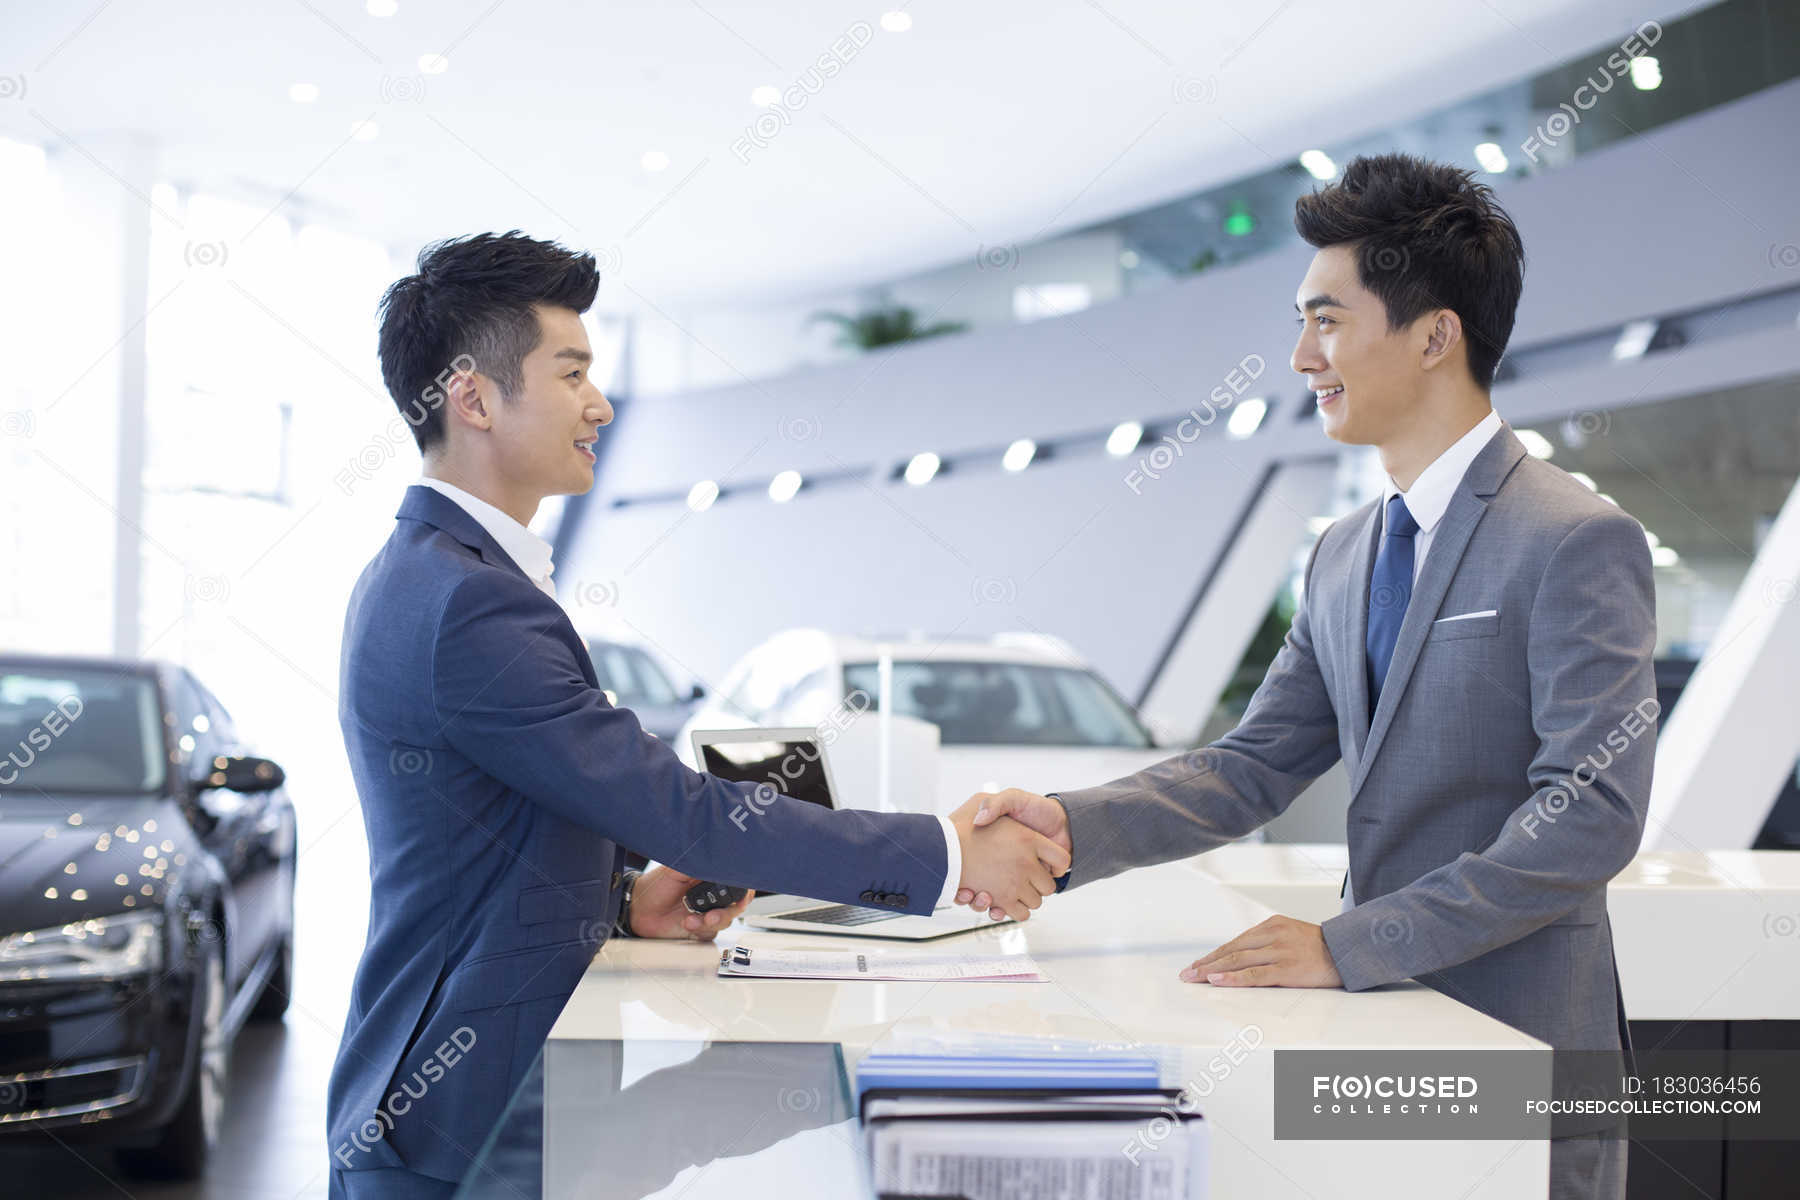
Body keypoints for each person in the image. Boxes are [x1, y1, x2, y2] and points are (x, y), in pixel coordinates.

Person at [957, 154, 1654, 1200]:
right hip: (1374, 1034)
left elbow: (1592, 810)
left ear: (1434, 335)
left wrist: (1352, 942)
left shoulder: (1573, 538)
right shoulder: (1342, 552)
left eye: (1326, 321)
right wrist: (1064, 825)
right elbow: (1252, 765)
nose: (1298, 356)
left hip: (1520, 1042)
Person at [326, 231, 1070, 1199]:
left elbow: (490, 834)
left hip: (465, 1106)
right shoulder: (467, 600)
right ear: (472, 398)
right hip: (457, 1128)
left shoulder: (431, 574)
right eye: (572, 373)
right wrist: (948, 855)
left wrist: (620, 904)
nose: (599, 405)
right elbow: (674, 808)